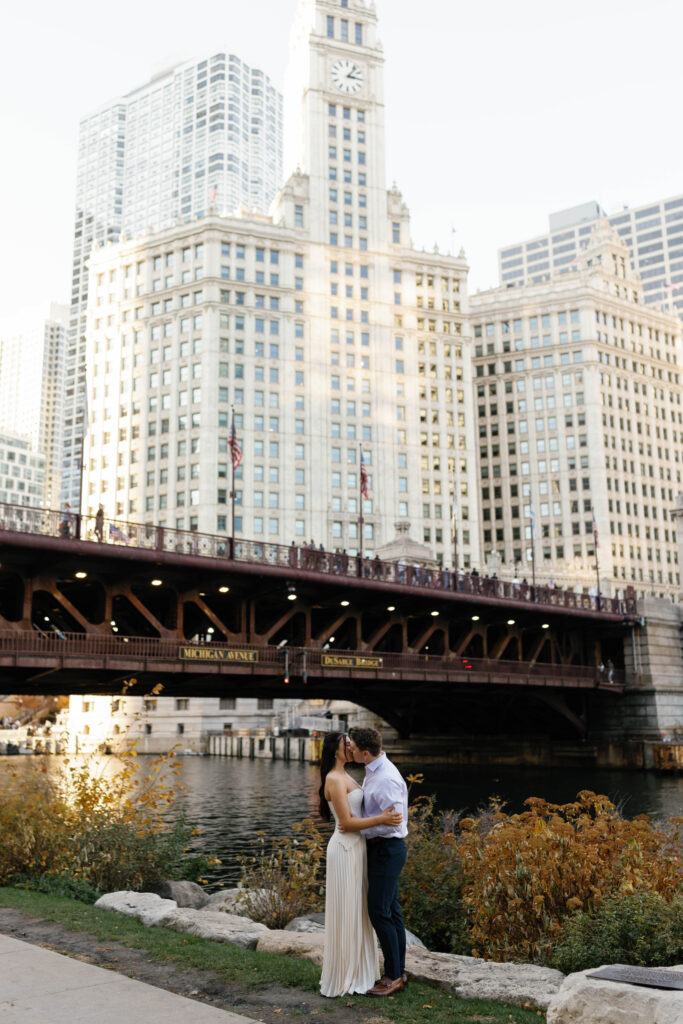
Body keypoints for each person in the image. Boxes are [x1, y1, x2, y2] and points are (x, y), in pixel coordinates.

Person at [318, 732, 402, 998]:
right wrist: (382, 819)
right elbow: (347, 823)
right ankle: (348, 971)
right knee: (351, 908)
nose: (351, 748)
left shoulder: (354, 775)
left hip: (359, 848)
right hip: (345, 848)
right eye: (346, 745)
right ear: (336, 750)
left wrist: (381, 821)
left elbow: (356, 818)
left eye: (352, 745)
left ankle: (386, 970)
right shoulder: (334, 778)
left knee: (365, 909)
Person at [347, 726, 409, 997]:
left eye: (351, 745)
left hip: (387, 849)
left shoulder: (385, 778)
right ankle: (399, 971)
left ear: (365, 752)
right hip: (383, 849)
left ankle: (393, 976)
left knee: (379, 912)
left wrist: (358, 828)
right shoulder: (374, 769)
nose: (348, 748)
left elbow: (392, 824)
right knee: (391, 912)